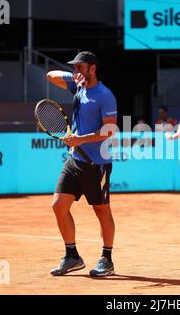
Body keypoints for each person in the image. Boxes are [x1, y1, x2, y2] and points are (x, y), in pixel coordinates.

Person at [46, 51, 118, 276]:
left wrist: (81, 139)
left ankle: (107, 259)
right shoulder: (78, 87)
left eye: (80, 67)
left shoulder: (105, 95)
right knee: (58, 205)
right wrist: (71, 77)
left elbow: (110, 130)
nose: (76, 71)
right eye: (75, 67)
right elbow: (50, 75)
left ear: (92, 68)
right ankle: (72, 256)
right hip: (74, 160)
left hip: (97, 164)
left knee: (101, 210)